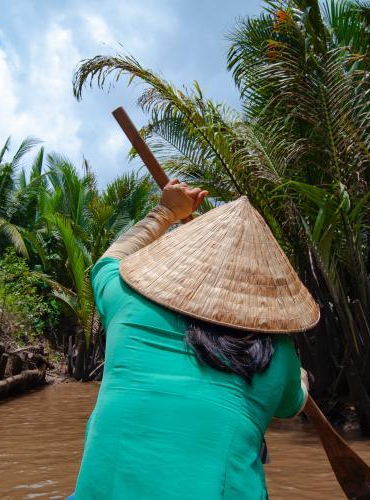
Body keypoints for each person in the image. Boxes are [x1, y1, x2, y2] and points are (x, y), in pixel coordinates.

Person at [69, 180, 319, 500]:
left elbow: (108, 262)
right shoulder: (276, 352)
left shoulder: (127, 302)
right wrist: (299, 376)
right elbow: (290, 406)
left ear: (186, 262)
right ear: (262, 287)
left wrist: (166, 212)